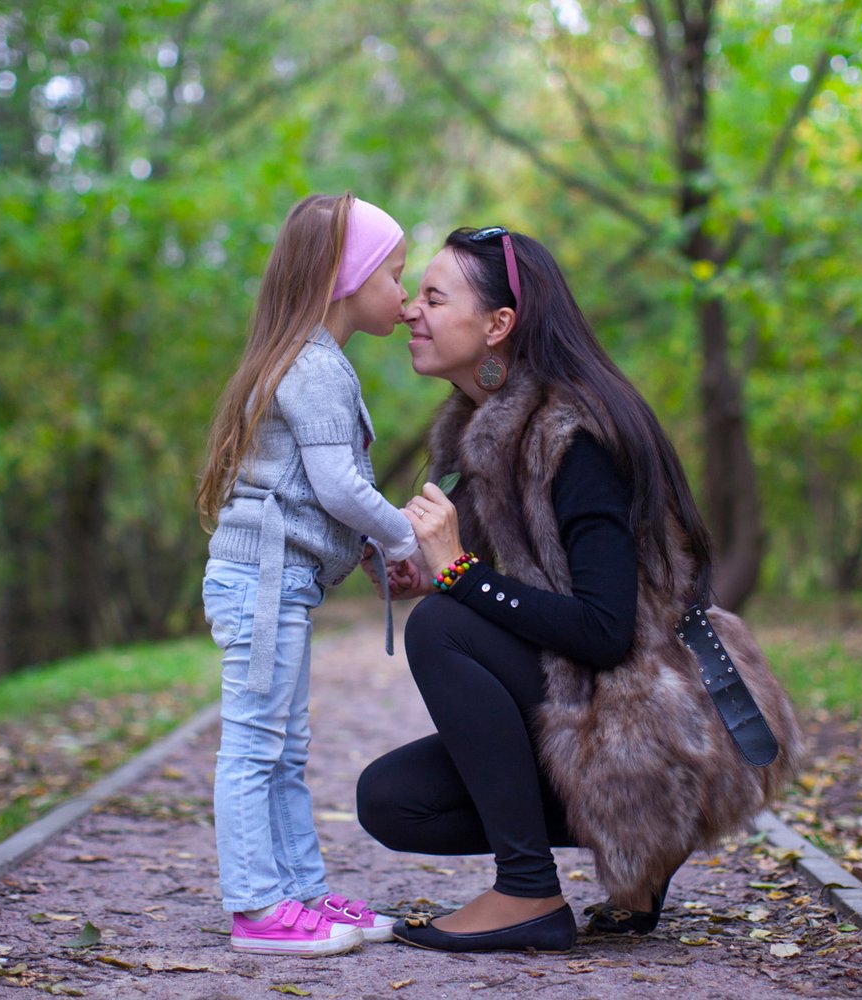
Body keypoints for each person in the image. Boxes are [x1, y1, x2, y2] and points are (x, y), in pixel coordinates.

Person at [356, 226, 803, 953]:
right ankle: (637, 855)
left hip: (656, 728)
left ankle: (527, 891)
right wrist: (432, 571)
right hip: (592, 701)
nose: (411, 310)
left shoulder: (574, 435)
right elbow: (516, 592)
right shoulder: (479, 431)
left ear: (499, 324)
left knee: (442, 628)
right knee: (392, 800)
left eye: (435, 297)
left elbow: (605, 630)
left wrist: (462, 577)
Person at [195, 194, 417, 956]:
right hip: (261, 582)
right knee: (256, 744)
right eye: (396, 272)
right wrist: (402, 537)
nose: (407, 294)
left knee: (283, 747)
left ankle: (300, 893)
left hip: (276, 580)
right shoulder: (315, 367)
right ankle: (258, 909)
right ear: (348, 278)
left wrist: (353, 545)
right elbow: (340, 489)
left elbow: (309, 492)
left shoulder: (315, 361)